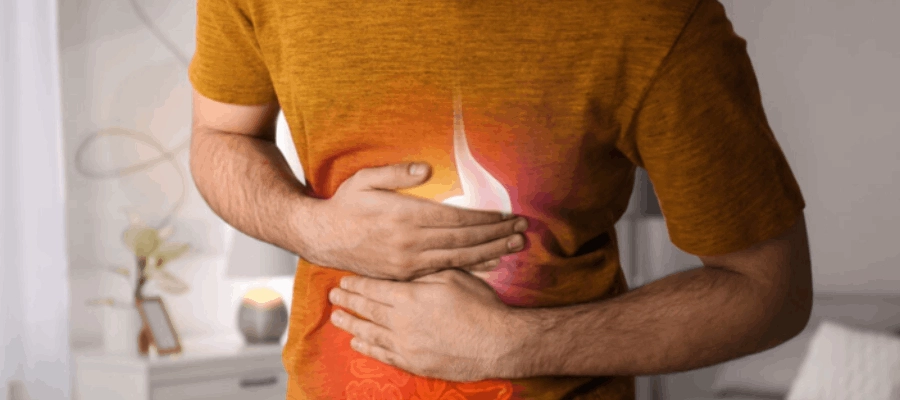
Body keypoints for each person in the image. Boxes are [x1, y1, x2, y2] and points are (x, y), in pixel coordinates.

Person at [187, 0, 812, 398]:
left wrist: (513, 344)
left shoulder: (654, 16)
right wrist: (312, 229)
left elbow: (770, 290)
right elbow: (219, 136)